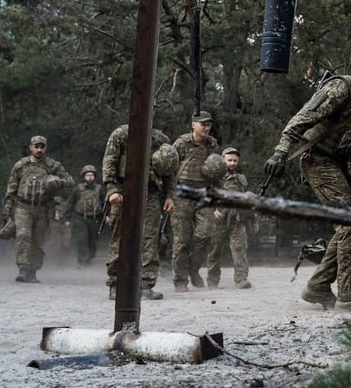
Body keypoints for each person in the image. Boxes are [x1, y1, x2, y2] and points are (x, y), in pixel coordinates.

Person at [264, 51, 351, 310]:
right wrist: (280, 152)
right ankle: (348, 296)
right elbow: (302, 118)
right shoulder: (342, 88)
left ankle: (318, 286)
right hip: (317, 160)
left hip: (337, 164)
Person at [102, 124, 177, 300]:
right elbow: (109, 161)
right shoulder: (121, 134)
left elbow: (169, 171)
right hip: (124, 190)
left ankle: (145, 285)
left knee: (151, 239)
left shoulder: (161, 139)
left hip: (151, 192)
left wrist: (169, 195)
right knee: (120, 238)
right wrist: (112, 189)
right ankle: (116, 284)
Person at [2, 136, 74, 283]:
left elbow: (70, 181)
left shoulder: (52, 166)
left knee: (38, 239)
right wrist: (7, 208)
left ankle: (33, 270)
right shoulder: (21, 166)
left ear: (45, 148)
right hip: (23, 206)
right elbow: (12, 187)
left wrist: (56, 182)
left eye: (42, 147)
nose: (39, 149)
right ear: (31, 147)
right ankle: (23, 268)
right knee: (23, 235)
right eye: (36, 146)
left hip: (43, 207)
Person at [171, 111, 222, 292]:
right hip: (182, 194)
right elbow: (170, 169)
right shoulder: (181, 143)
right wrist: (168, 195)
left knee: (206, 234)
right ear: (193, 125)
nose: (206, 127)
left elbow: (216, 170)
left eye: (209, 124)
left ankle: (193, 269)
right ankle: (180, 280)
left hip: (203, 193)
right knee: (182, 240)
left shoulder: (212, 144)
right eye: (203, 124)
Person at [206, 147, 252, 289]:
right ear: (223, 160)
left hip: (236, 218)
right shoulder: (214, 178)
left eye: (235, 161)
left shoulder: (241, 179)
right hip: (219, 218)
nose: (232, 163)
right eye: (229, 160)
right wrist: (213, 210)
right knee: (215, 250)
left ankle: (241, 279)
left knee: (239, 248)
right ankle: (212, 280)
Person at [62, 164, 106, 267]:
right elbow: (70, 203)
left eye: (92, 175)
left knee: (93, 240)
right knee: (82, 240)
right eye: (87, 175)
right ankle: (83, 261)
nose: (90, 177)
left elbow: (104, 204)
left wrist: (107, 216)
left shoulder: (99, 189)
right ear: (84, 176)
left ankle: (90, 258)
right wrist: (67, 218)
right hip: (80, 218)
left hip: (95, 218)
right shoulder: (77, 189)